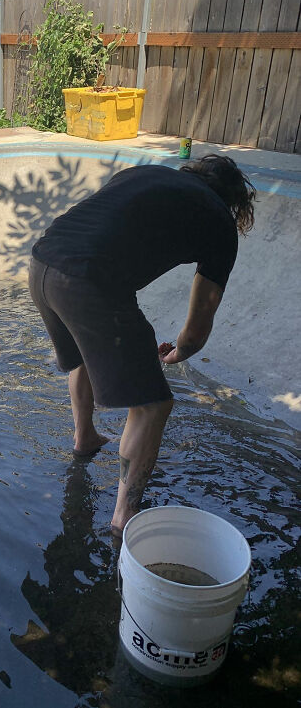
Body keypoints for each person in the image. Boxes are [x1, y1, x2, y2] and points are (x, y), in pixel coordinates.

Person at [29, 154, 256, 536]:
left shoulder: (148, 173)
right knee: (154, 405)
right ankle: (124, 516)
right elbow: (199, 322)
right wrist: (181, 350)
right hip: (88, 281)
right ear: (233, 201)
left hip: (42, 264)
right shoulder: (218, 220)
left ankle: (85, 437)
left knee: (84, 356)